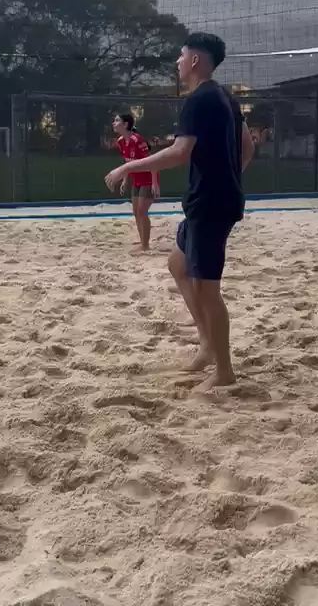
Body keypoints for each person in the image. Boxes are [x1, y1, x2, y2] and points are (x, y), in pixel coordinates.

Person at [106, 34, 254, 386]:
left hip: (210, 203)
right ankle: (207, 345)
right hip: (213, 199)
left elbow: (179, 152)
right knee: (177, 264)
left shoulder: (199, 99)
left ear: (195, 61)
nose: (177, 61)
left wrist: (128, 167)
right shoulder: (225, 96)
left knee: (207, 288)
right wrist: (230, 177)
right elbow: (247, 146)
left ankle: (224, 372)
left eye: (181, 55)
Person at [111, 113, 160, 252]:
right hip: (136, 180)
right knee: (136, 212)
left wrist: (155, 183)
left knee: (142, 211)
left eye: (117, 120)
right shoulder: (121, 141)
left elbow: (152, 162)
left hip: (148, 179)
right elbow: (128, 163)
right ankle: (142, 242)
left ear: (126, 124)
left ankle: (145, 246)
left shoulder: (137, 140)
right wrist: (125, 179)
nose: (113, 123)